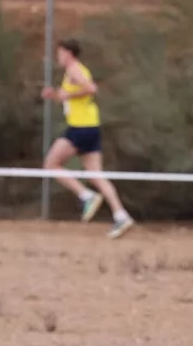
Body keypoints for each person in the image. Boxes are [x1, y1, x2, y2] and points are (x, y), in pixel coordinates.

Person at [41, 39, 134, 239]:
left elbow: (91, 89)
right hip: (90, 126)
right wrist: (56, 95)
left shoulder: (75, 69)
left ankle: (86, 196)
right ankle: (121, 215)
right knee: (95, 175)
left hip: (80, 128)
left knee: (51, 164)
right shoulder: (73, 72)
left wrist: (68, 95)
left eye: (60, 53)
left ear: (68, 54)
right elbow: (74, 96)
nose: (58, 57)